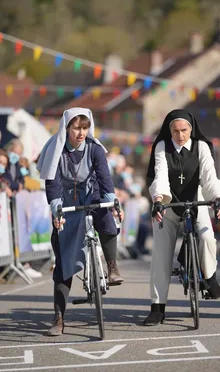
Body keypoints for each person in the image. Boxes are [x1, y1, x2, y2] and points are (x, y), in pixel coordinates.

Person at [37, 108, 124, 336]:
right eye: (76, 127)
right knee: (64, 257)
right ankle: (58, 317)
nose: (81, 132)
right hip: (65, 199)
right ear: (66, 128)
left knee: (105, 214)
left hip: (91, 191)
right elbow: (52, 183)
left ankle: (112, 266)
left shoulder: (95, 149)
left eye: (85, 127)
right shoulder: (55, 149)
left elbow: (105, 179)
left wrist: (113, 202)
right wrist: (57, 209)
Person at [143, 109, 220, 326]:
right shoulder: (162, 147)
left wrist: (217, 198)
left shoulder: (202, 147)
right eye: (176, 131)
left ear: (192, 129)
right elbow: (159, 174)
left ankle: (209, 277)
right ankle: (157, 309)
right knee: (161, 255)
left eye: (184, 130)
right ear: (169, 131)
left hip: (196, 200)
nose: (180, 135)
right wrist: (159, 199)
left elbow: (209, 176)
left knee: (207, 237)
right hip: (168, 202)